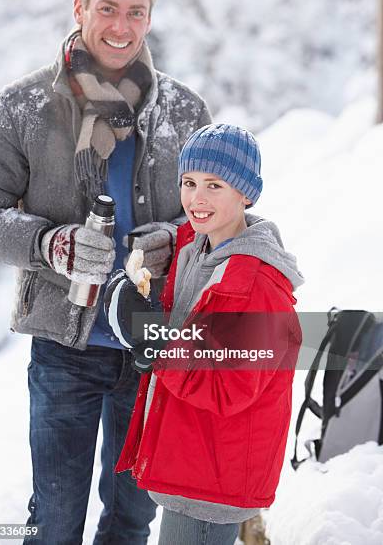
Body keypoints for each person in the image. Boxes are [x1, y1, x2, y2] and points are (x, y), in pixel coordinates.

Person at [0, 0, 211, 545]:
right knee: (53, 524)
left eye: (136, 11)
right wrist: (48, 243)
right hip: (63, 346)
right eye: (107, 8)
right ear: (79, 8)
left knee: (132, 518)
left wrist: (173, 238)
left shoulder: (184, 113)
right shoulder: (22, 109)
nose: (121, 26)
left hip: (153, 343)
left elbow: (213, 219)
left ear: (150, 18)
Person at [104, 124, 304, 545]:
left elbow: (229, 385)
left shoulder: (252, 282)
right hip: (194, 459)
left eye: (215, 185)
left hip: (214, 475)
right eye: (190, 183)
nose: (197, 198)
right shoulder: (199, 249)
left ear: (246, 193)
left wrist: (156, 344)